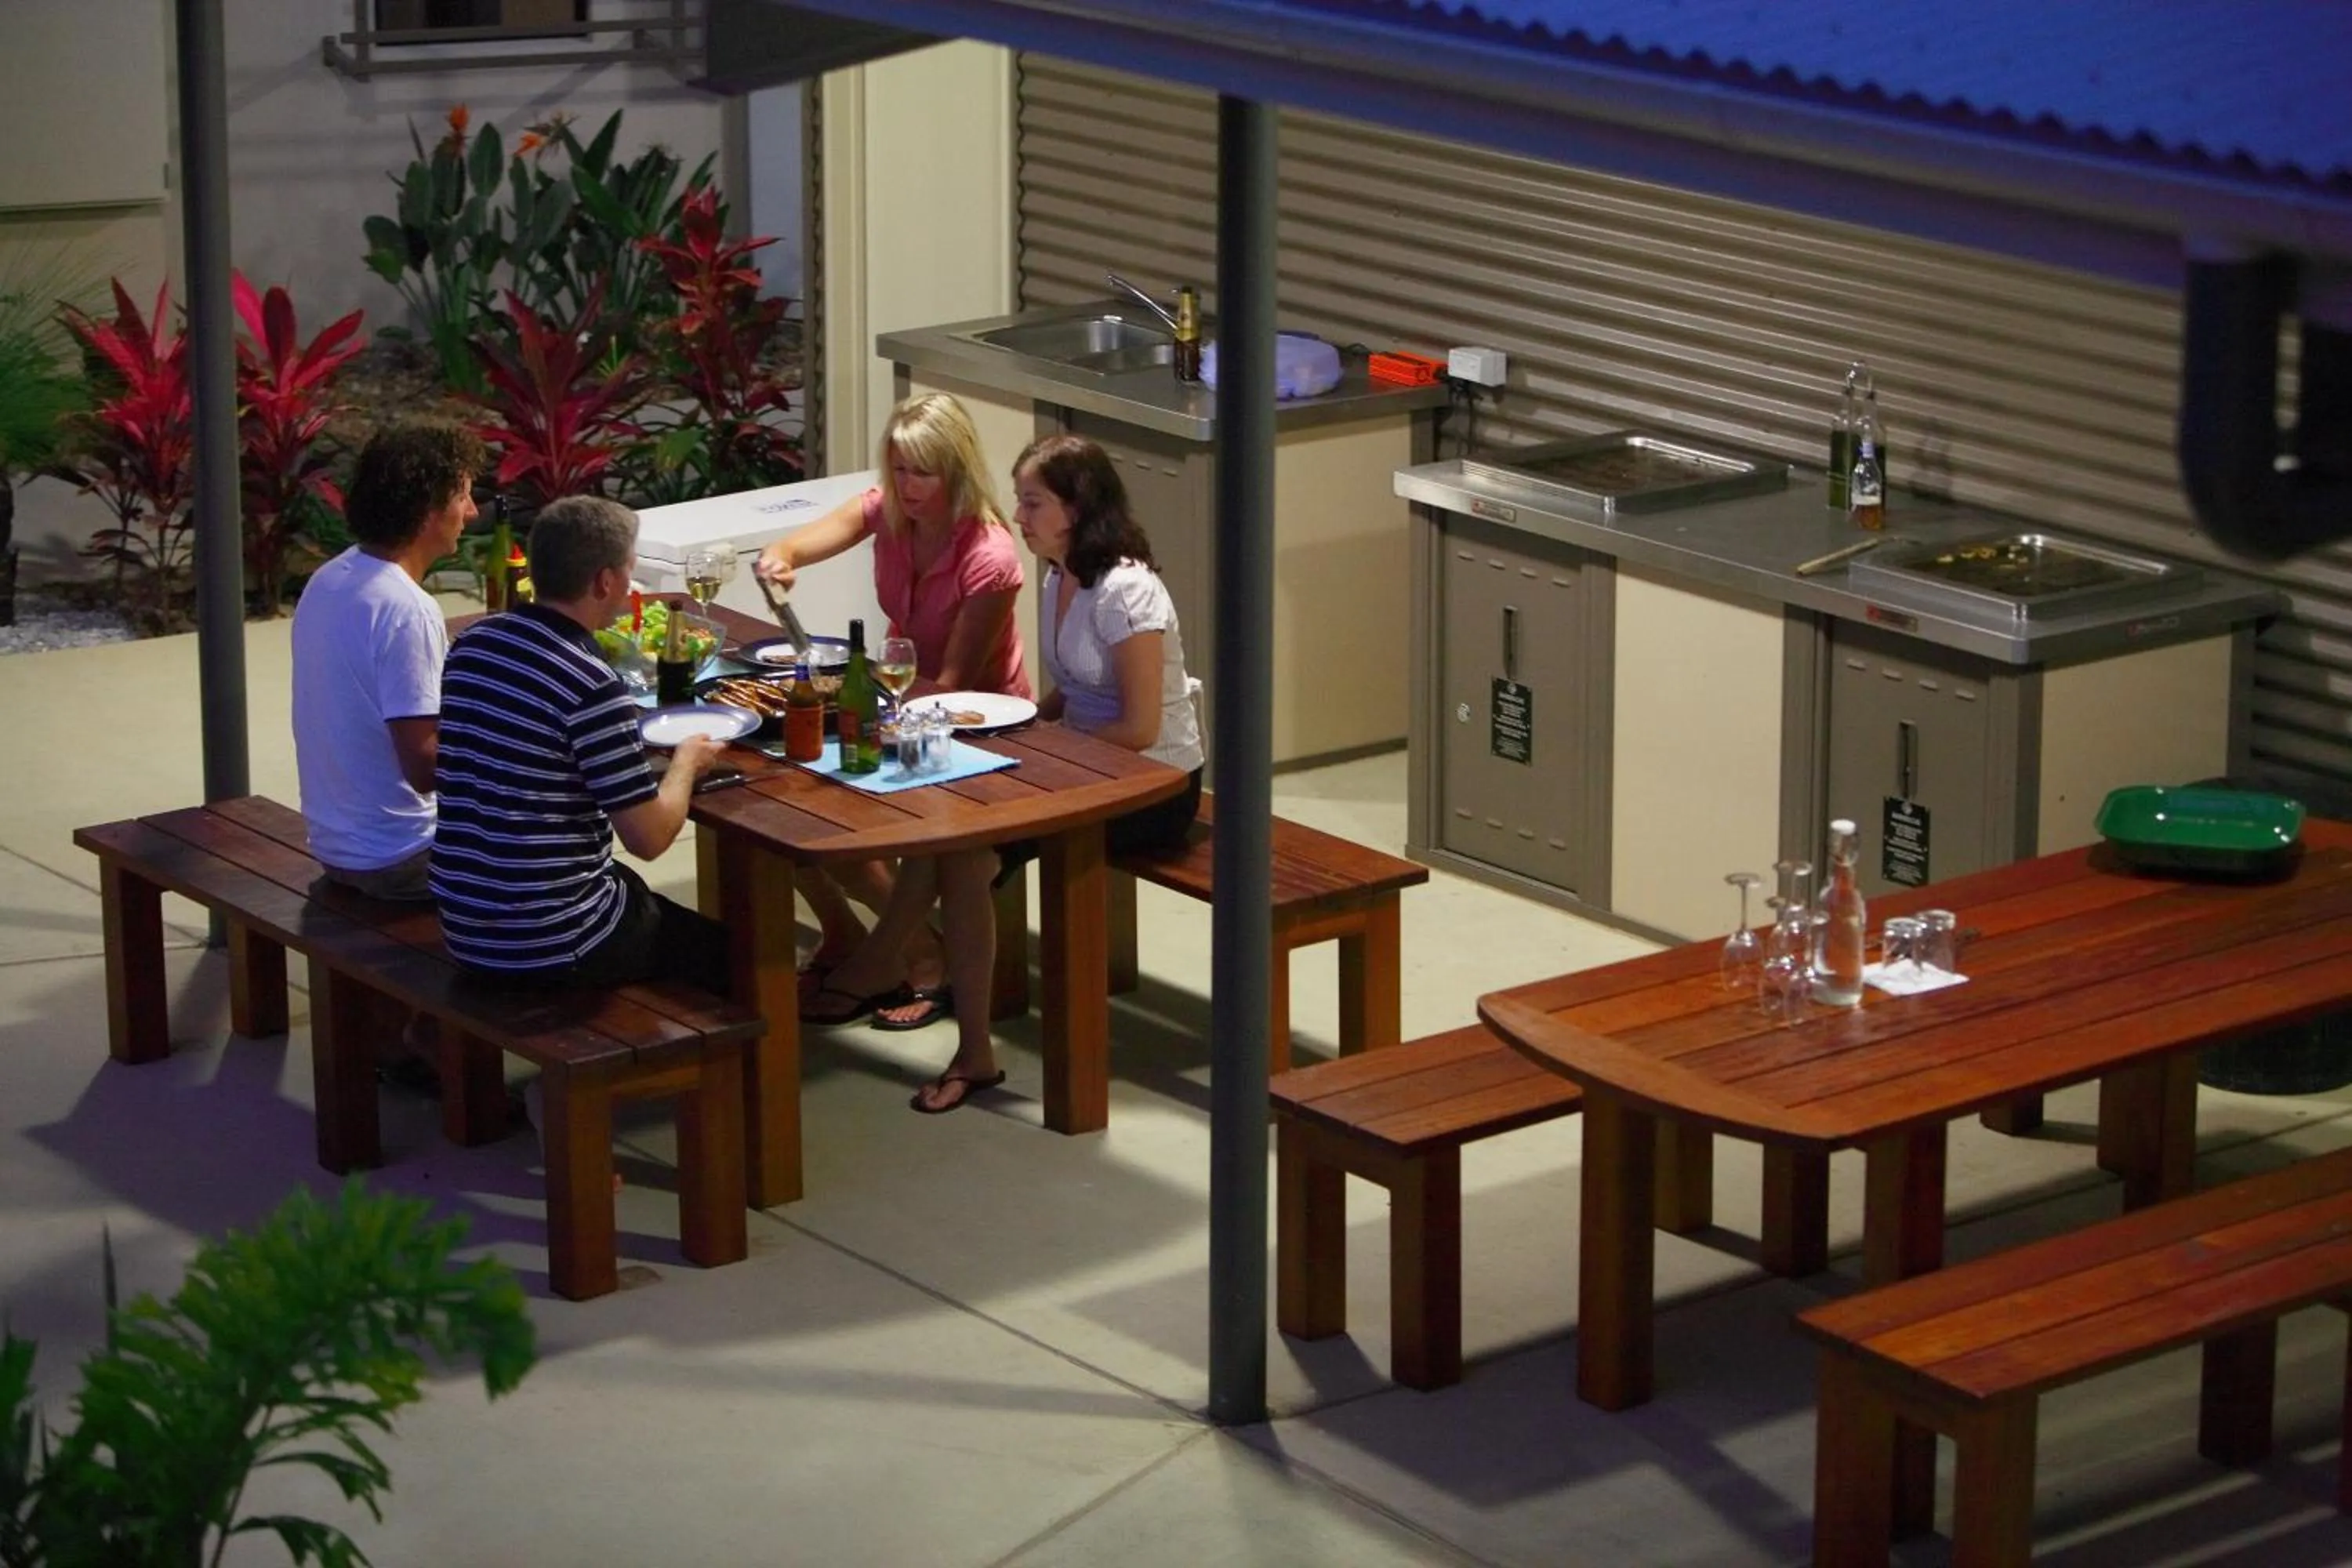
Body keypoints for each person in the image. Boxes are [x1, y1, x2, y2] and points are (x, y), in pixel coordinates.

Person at [821, 433, 1204, 1114]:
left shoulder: (1127, 592)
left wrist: (1038, 751)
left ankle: (884, 965)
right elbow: (1074, 688)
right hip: (1082, 767)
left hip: (1152, 786)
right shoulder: (1061, 574)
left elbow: (1140, 729)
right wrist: (1028, 722)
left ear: (1076, 508)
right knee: (954, 841)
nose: (1018, 516)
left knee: (965, 846)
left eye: (1033, 503)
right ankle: (963, 1039)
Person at [755, 392, 1031, 1029]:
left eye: (923, 472)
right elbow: (799, 546)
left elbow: (953, 686)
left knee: (836, 815)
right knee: (782, 803)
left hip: (979, 729)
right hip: (901, 702)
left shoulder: (990, 557)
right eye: (899, 469)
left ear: (957, 469)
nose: (907, 486)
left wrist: (868, 707)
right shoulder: (890, 510)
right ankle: (853, 936)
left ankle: (919, 954)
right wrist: (781, 561)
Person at [430, 495, 731, 993]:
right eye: (629, 572)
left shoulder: (474, 645)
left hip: (466, 922)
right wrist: (686, 763)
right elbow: (650, 839)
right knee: (737, 957)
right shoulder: (591, 685)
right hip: (555, 941)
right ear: (604, 582)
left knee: (632, 893)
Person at [290, 419, 484, 900]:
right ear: (428, 511)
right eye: (463, 497)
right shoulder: (408, 609)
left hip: (338, 848)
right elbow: (425, 769)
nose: (473, 512)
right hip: (404, 858)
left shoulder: (329, 579)